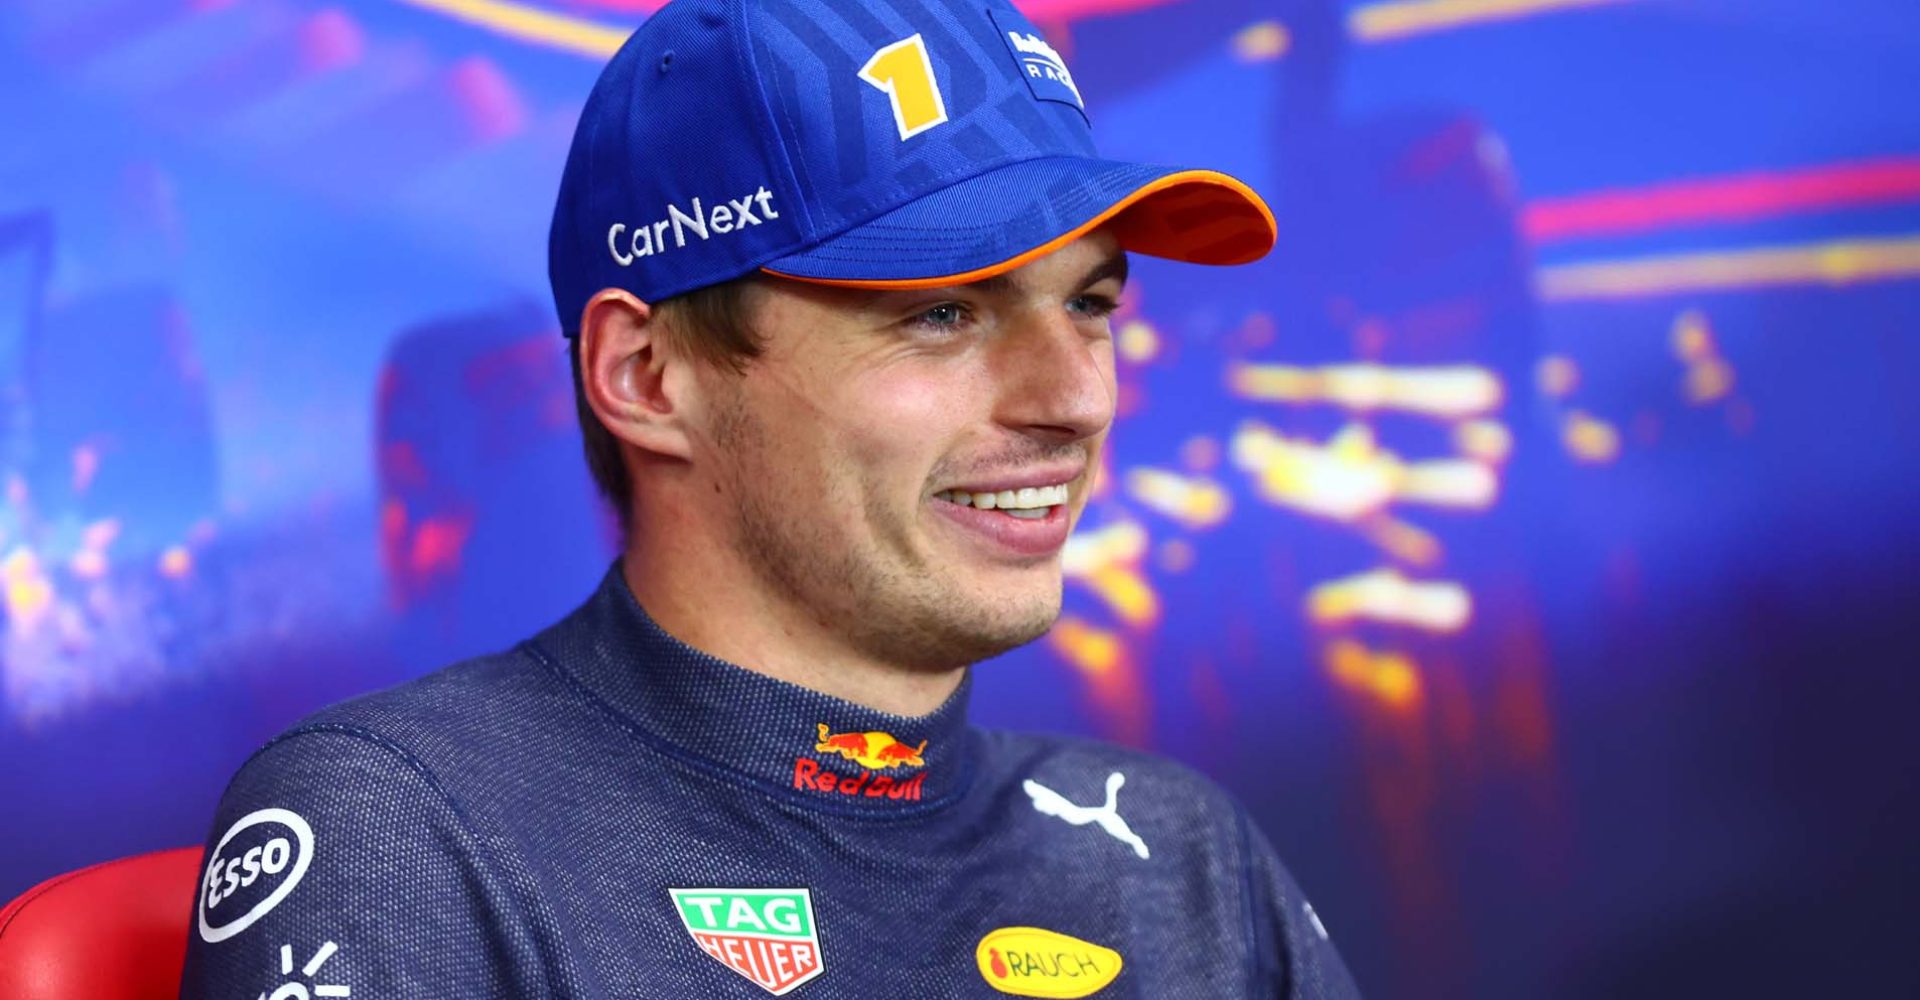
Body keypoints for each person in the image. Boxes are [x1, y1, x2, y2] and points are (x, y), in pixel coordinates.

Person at [178, 0, 1362, 996]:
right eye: (943, 311)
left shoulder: (1182, 854)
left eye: (1091, 305)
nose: (1077, 397)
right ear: (648, 377)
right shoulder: (406, 832)